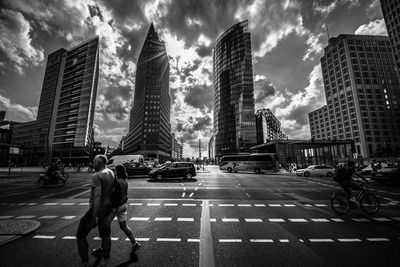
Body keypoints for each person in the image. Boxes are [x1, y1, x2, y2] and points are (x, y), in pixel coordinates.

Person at [92, 164, 141, 258]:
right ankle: (135, 243)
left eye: (115, 170)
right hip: (124, 205)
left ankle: (103, 249)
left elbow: (113, 195)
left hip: (116, 206)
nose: (114, 172)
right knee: (124, 226)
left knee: (104, 226)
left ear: (118, 171)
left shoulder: (117, 181)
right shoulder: (125, 181)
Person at [76, 155, 115, 267]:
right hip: (108, 208)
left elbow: (97, 197)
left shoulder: (97, 175)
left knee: (81, 235)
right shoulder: (111, 172)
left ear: (101, 163)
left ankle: (85, 263)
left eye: (95, 162)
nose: (93, 164)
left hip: (98, 209)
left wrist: (93, 217)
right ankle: (105, 262)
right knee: (105, 234)